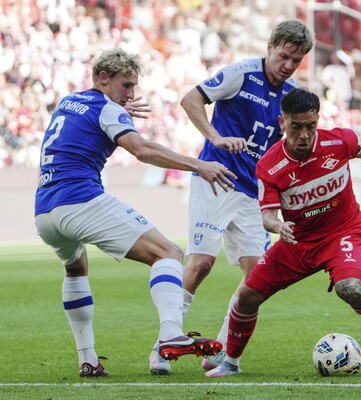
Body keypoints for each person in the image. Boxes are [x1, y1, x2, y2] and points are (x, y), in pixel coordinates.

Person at [34, 48, 236, 377]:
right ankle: (171, 333)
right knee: (168, 252)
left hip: (44, 211)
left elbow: (82, 127)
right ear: (103, 78)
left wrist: (118, 107)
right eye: (126, 85)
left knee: (76, 267)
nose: (131, 94)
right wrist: (199, 165)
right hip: (80, 200)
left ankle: (88, 360)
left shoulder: (70, 101)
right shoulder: (107, 109)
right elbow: (141, 150)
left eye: (133, 87)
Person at [204, 87, 361, 377]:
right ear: (282, 123)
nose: (304, 135)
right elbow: (267, 217)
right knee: (246, 297)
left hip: (344, 232)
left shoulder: (340, 140)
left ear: (318, 120)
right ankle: (230, 362)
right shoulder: (269, 165)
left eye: (310, 126)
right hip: (298, 241)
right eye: (296, 127)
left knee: (350, 288)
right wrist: (278, 226)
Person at [176, 20, 314, 373]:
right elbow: (190, 99)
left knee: (256, 279)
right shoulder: (241, 74)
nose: (288, 65)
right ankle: (166, 340)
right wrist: (215, 137)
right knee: (201, 263)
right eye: (283, 56)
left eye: (296, 61)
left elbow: (295, 146)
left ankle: (221, 350)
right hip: (217, 178)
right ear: (270, 47)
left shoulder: (292, 96)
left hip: (254, 193)